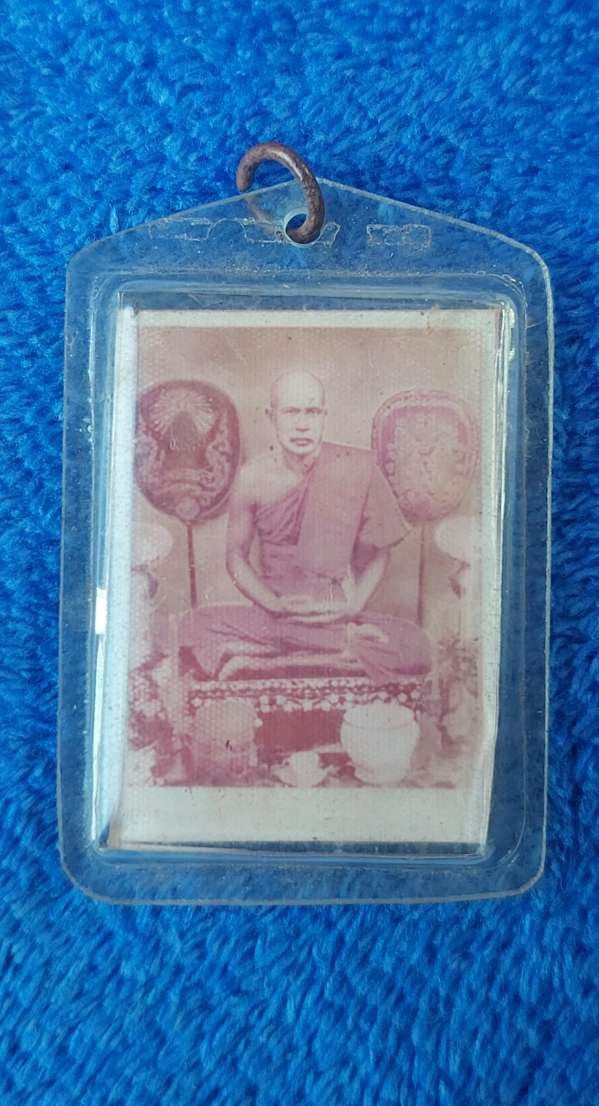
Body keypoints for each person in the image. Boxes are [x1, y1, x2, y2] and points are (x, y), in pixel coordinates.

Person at [175, 370, 431, 684]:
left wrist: (353, 607)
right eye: (291, 411)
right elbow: (235, 556)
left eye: (311, 411)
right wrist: (273, 604)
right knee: (193, 626)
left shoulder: (356, 467)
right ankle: (339, 654)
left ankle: (273, 660)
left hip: (334, 615)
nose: (302, 424)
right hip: (272, 615)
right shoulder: (252, 478)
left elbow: (380, 554)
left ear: (324, 415)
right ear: (272, 416)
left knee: (417, 643)